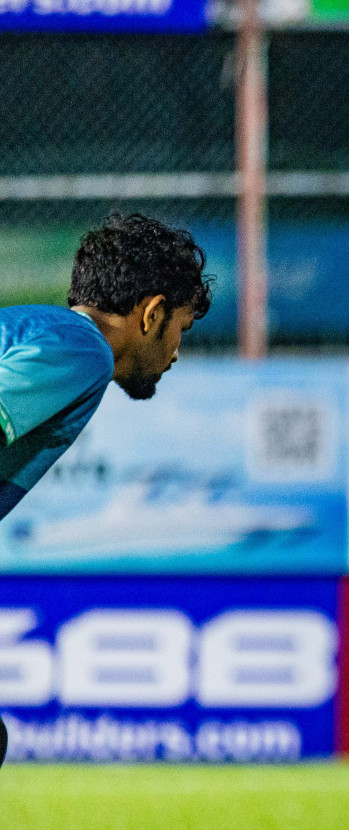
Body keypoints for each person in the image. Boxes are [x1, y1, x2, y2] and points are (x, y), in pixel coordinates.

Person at [0, 212, 209, 794]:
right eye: (181, 328)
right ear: (151, 313)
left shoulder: (38, 329)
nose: (176, 352)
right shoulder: (83, 351)